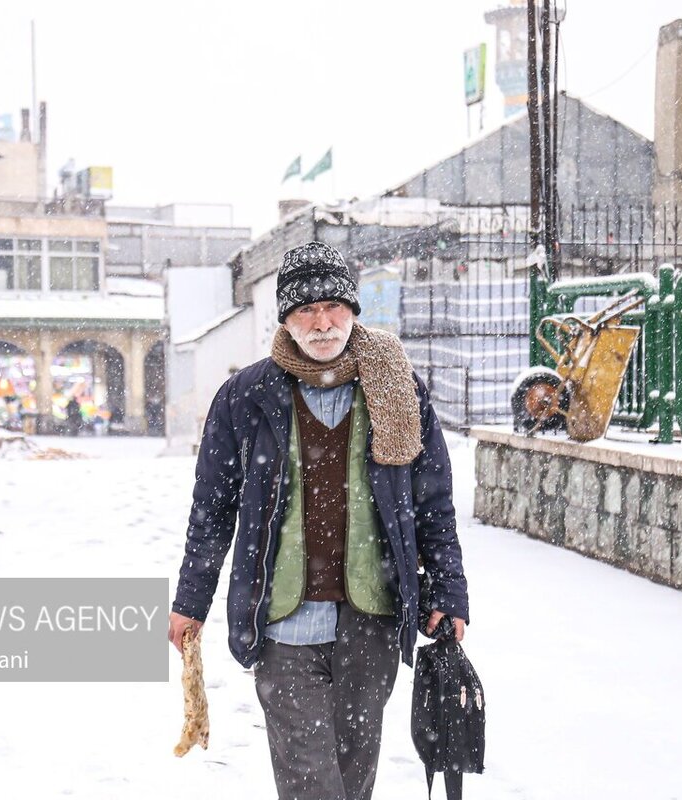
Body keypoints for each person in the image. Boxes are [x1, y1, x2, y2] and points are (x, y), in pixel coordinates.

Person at [168, 241, 470, 800]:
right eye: (306, 309)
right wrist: (191, 602)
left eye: (334, 306)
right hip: (282, 620)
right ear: (285, 317)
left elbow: (432, 503)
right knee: (313, 786)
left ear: (354, 311)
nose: (323, 322)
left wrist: (449, 591)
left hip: (371, 617)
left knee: (354, 781)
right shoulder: (246, 397)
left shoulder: (396, 389)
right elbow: (210, 511)